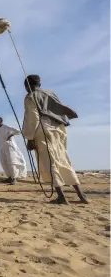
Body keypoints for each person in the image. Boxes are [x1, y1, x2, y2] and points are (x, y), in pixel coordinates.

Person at [22, 74, 88, 205]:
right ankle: (82, 195)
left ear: (27, 86)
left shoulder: (30, 97)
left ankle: (62, 197)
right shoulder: (50, 93)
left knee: (49, 162)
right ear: (40, 84)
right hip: (59, 129)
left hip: (43, 129)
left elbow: (33, 118)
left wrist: (30, 138)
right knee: (63, 159)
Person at [0, 117, 27, 185]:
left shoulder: (5, 127)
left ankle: (14, 179)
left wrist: (11, 135)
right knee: (4, 162)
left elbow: (19, 131)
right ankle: (10, 177)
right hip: (2, 147)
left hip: (9, 147)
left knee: (11, 162)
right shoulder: (0, 129)